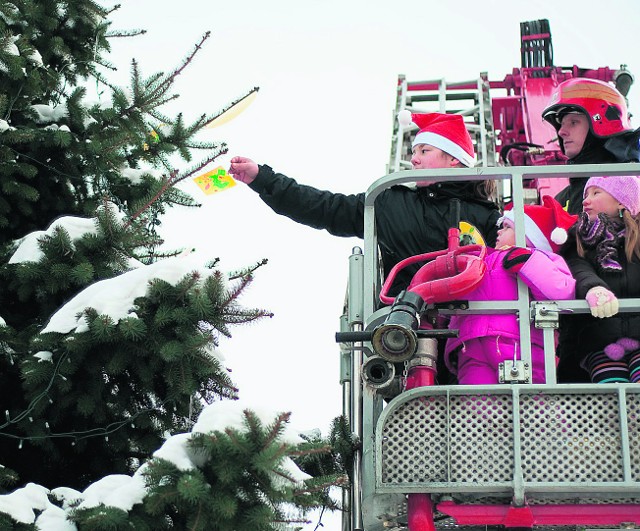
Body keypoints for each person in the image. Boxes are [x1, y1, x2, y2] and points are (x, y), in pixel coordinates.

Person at [229, 112, 501, 298]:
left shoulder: (486, 216)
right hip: (408, 331)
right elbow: (325, 208)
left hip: (474, 328)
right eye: (413, 152)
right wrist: (263, 179)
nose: (413, 160)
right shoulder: (389, 202)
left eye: (423, 151)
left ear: (453, 159)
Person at [443, 196, 576, 384]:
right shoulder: (480, 258)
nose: (499, 231)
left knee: (531, 403)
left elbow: (562, 291)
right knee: (475, 405)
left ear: (529, 237)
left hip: (521, 343)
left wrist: (528, 262)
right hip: (472, 343)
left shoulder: (542, 258)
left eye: (507, 227)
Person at [556, 175, 640, 383]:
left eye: (596, 193)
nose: (585, 201)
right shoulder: (579, 239)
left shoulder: (637, 240)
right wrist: (595, 289)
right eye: (585, 194)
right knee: (612, 393)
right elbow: (578, 268)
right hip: (600, 339)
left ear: (621, 201)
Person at [541, 77, 640, 215]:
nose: (561, 132)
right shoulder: (561, 199)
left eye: (573, 122)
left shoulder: (628, 192)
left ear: (601, 122)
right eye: (561, 124)